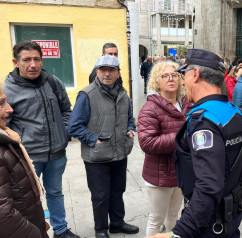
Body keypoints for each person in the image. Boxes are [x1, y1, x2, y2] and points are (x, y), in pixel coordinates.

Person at [146, 49, 242, 238]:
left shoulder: (204, 121)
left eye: (184, 74)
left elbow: (208, 186)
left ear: (195, 73)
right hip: (231, 216)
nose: (182, 81)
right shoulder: (236, 113)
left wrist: (177, 234)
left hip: (210, 223)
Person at [4, 41, 78, 238]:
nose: (33, 64)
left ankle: (61, 230)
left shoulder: (52, 82)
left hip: (57, 154)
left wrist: (64, 132)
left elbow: (66, 110)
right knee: (28, 199)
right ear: (15, 62)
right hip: (29, 157)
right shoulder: (8, 90)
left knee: (55, 192)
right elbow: (5, 126)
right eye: (26, 60)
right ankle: (33, 232)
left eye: (37, 59)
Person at [68, 55, 138, 238]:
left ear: (118, 73)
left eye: (111, 70)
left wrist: (130, 130)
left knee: (117, 191)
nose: (107, 73)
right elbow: (74, 126)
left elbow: (129, 118)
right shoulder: (87, 95)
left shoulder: (124, 94)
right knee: (100, 196)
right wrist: (93, 140)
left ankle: (116, 223)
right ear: (97, 72)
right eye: (102, 70)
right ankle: (100, 230)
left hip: (120, 153)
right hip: (97, 157)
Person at [138, 61, 189, 236]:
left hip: (181, 171)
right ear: (156, 81)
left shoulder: (186, 104)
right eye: (165, 75)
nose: (170, 79)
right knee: (156, 219)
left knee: (173, 217)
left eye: (175, 75)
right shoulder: (150, 108)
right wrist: (180, 136)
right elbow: (147, 143)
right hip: (159, 173)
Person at [0, 82, 49, 238]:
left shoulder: (6, 138)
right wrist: (36, 233)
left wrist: (39, 224)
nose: (9, 109)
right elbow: (4, 217)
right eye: (1, 103)